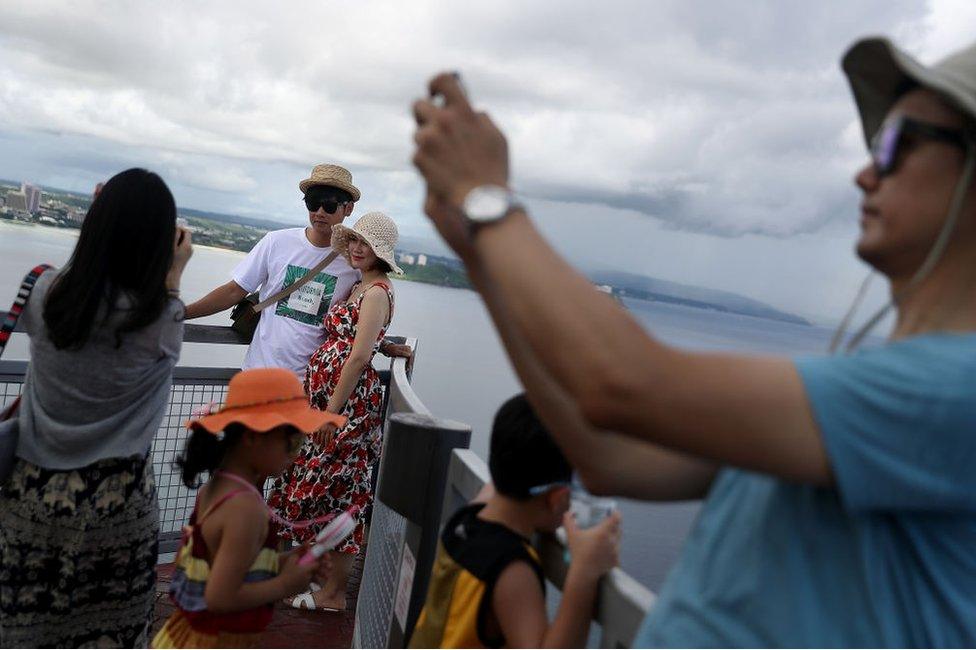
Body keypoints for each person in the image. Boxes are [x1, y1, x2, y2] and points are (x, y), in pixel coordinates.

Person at [411, 37, 976, 647]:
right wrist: (477, 254)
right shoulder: (880, 400)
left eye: (898, 145)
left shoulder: (954, 394)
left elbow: (626, 384)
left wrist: (486, 199)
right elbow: (605, 455)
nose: (865, 172)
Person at [0, 168, 193, 647]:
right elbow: (163, 299)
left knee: (23, 629)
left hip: (34, 497)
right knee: (111, 635)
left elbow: (84, 285)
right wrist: (175, 272)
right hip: (119, 505)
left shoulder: (42, 291)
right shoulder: (164, 319)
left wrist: (102, 220)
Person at [409, 394, 621, 648]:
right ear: (558, 498)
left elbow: (509, 471)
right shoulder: (512, 569)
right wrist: (584, 572)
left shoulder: (466, 520)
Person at [269, 211, 402, 612]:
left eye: (367, 244)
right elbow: (367, 340)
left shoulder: (377, 290)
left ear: (381, 252)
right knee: (315, 489)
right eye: (355, 242)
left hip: (345, 411)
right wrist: (391, 345)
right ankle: (307, 580)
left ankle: (332, 595)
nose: (358, 249)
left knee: (339, 496)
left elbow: (360, 355)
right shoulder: (361, 288)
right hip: (326, 403)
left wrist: (330, 413)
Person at [152, 368, 341, 648]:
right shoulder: (246, 509)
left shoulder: (218, 487)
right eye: (291, 440)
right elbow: (220, 598)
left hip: (183, 635)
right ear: (252, 436)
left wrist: (284, 562)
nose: (295, 453)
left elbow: (228, 564)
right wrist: (286, 585)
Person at [184, 163, 409, 376]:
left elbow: (356, 321)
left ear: (348, 208)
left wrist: (384, 344)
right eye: (313, 202)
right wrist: (181, 313)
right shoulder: (276, 243)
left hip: (310, 384)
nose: (320, 211)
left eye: (329, 204)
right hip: (257, 373)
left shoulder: (353, 263)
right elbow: (234, 291)